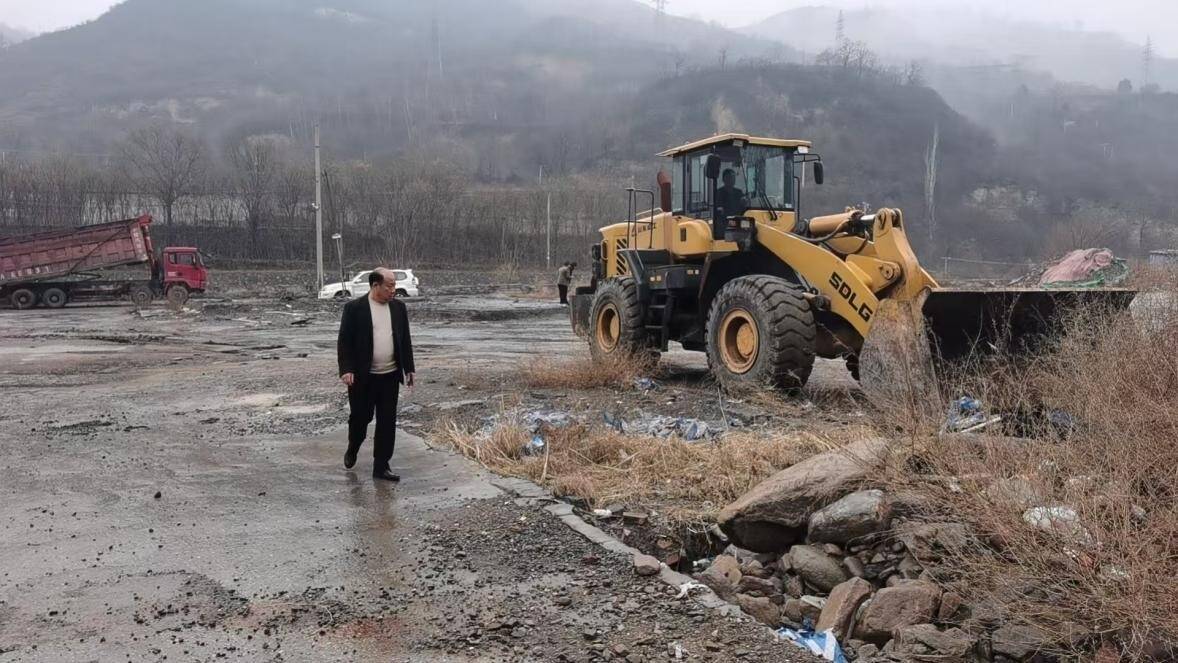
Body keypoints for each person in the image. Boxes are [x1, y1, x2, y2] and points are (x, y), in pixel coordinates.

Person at [337, 268, 416, 482]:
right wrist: (346, 369)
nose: (393, 290)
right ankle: (353, 447)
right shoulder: (354, 308)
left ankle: (381, 466)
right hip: (363, 377)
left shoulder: (398, 308)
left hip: (390, 375)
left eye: (394, 285)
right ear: (375, 285)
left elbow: (405, 340)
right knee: (360, 418)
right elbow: (344, 341)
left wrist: (409, 368)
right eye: (389, 286)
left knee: (387, 422)